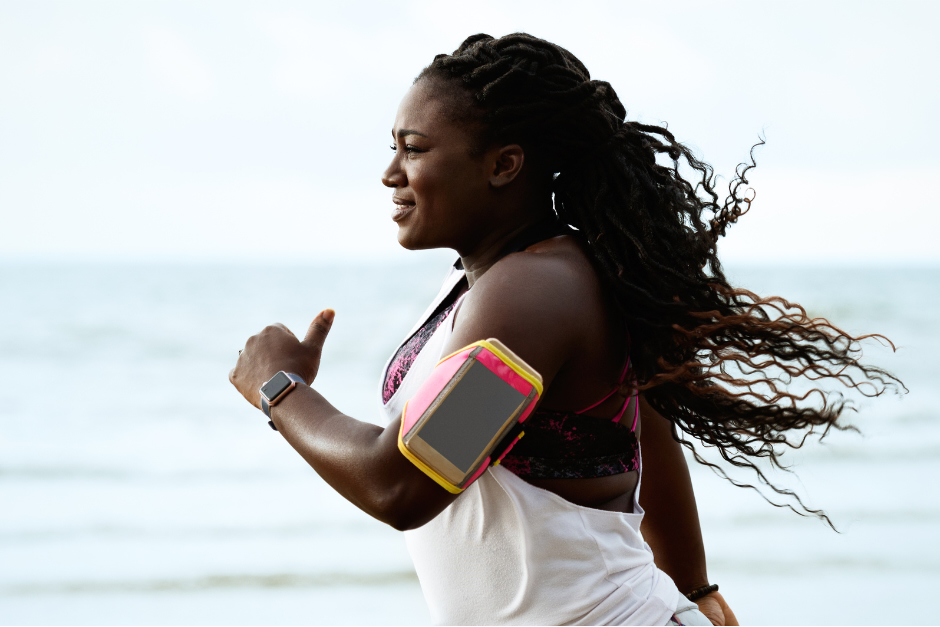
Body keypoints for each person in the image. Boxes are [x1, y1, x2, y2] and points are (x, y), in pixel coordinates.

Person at [230, 33, 899, 625]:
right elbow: (651, 419)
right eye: (393, 149)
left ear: (504, 164)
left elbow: (405, 484)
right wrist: (694, 586)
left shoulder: (536, 294)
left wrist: (281, 388)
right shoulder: (504, 278)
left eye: (415, 148)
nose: (390, 173)